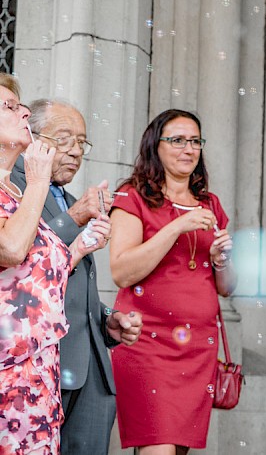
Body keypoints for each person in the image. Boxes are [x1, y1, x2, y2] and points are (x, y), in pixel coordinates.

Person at [10, 99, 142, 454]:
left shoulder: (64, 195)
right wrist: (75, 215)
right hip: (40, 365)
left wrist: (106, 321)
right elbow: (20, 261)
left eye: (82, 142)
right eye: (64, 138)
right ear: (32, 137)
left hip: (92, 367)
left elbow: (68, 284)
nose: (75, 151)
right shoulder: (13, 187)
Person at [108, 109, 236, 455]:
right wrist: (177, 225)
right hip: (148, 343)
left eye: (195, 141)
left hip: (196, 349)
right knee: (158, 448)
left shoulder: (210, 204)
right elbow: (122, 271)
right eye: (177, 140)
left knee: (176, 450)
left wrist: (222, 260)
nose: (188, 148)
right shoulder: (131, 196)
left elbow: (226, 287)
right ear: (155, 146)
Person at [0, 74, 111, 454]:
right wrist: (40, 185)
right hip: (10, 365)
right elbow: (11, 248)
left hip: (43, 367)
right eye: (11, 107)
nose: (24, 112)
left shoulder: (23, 190)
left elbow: (41, 273)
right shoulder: (28, 185)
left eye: (83, 142)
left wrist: (81, 247)